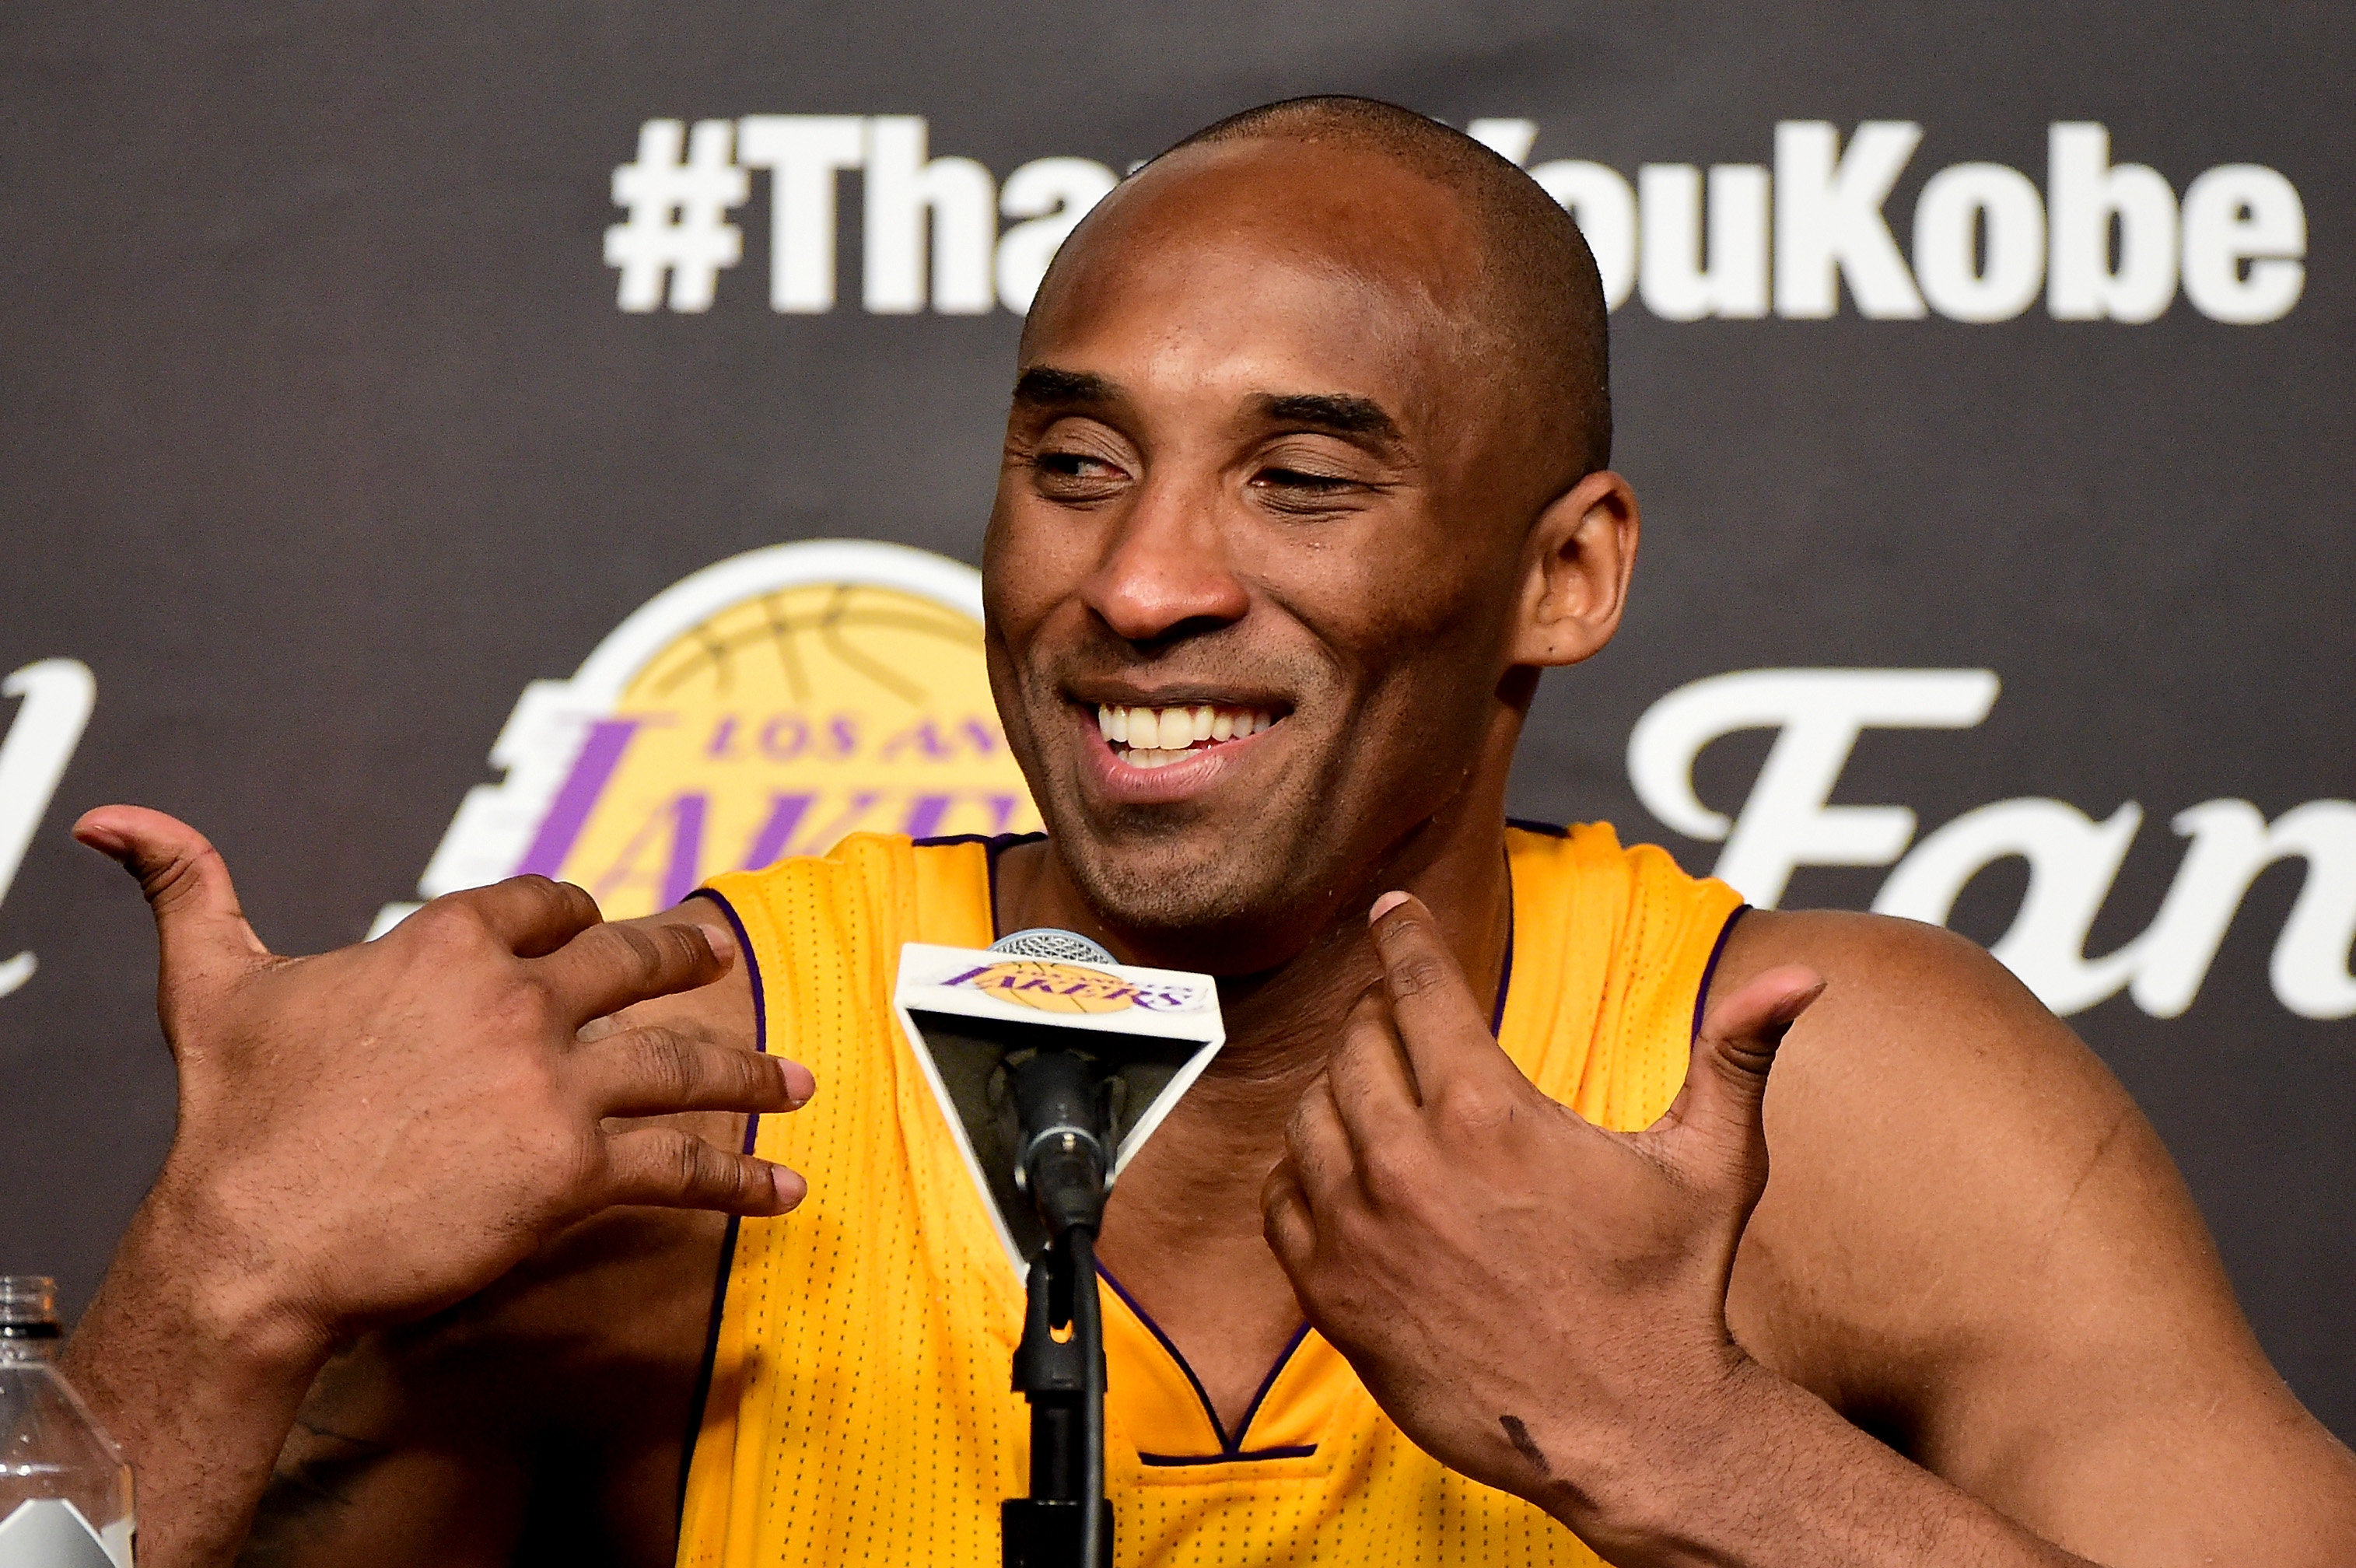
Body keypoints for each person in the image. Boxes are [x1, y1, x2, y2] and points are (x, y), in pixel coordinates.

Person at [61, 96, 2356, 1568]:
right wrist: (219, 1286)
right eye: (1075, 466)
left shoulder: (1828, 1099)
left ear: (1564, 574)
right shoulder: (685, 1109)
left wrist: (1693, 1448)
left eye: (1304, 477)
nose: (1141, 580)